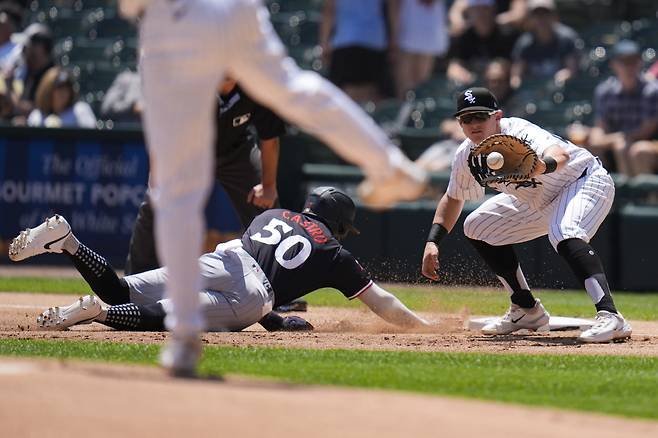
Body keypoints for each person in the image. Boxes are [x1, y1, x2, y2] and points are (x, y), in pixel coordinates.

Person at [117, 0, 428, 377]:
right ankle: (391, 166)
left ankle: (184, 338)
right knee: (294, 89)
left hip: (175, 17)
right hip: (235, 8)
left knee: (177, 195)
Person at [9, 188, 429, 336]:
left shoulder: (272, 215)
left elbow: (264, 262)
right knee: (166, 318)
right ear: (338, 224)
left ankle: (67, 241)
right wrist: (422, 328)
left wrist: (278, 320)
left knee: (123, 288)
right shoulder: (335, 253)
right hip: (253, 294)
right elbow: (381, 302)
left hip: (227, 256)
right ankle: (98, 313)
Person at [421, 87, 632, 343]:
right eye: (467, 119)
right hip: (536, 199)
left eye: (480, 116)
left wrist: (541, 166)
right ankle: (526, 310)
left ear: (497, 116)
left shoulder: (518, 131)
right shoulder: (467, 155)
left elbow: (561, 155)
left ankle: (611, 316)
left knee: (565, 232)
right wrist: (433, 241)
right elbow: (453, 197)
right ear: (459, 123)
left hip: (582, 181)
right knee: (477, 226)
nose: (474, 124)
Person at [125, 75, 307, 311]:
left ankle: (280, 292)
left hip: (235, 153)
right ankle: (131, 289)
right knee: (154, 206)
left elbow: (269, 139)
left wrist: (269, 185)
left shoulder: (256, 84)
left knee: (268, 213)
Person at [585, 40, 658, 175]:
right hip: (617, 145)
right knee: (587, 149)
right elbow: (600, 127)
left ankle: (644, 196)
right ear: (614, 65)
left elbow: (646, 131)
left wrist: (615, 140)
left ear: (640, 63)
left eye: (633, 61)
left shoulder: (651, 90)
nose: (629, 67)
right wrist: (602, 139)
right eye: (624, 62)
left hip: (649, 144)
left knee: (637, 150)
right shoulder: (605, 91)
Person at [320, 0, 396, 104]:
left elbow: (329, 10)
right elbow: (392, 7)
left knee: (345, 98)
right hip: (374, 40)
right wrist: (393, 38)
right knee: (373, 96)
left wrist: (324, 43)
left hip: (345, 41)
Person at [445, 0, 519, 86]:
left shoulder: (507, 35)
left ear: (493, 10)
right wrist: (459, 73)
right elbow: (455, 65)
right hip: (471, 86)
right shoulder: (462, 36)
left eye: (485, 8)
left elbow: (515, 66)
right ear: (469, 12)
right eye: (477, 9)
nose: (481, 14)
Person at [510, 0, 580, 89]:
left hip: (562, 90)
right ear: (530, 18)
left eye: (545, 14)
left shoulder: (566, 38)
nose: (541, 19)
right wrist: (518, 84)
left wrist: (564, 75)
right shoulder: (524, 43)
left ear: (554, 16)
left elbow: (572, 70)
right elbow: (516, 76)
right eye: (537, 15)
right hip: (534, 91)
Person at [393, 0, 449, 99]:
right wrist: (395, 32)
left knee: (422, 85)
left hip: (429, 25)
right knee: (405, 86)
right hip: (408, 25)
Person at [26, 67, 97, 128]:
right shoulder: (37, 116)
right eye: (59, 88)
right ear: (48, 91)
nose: (63, 92)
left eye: (67, 88)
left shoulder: (80, 111)